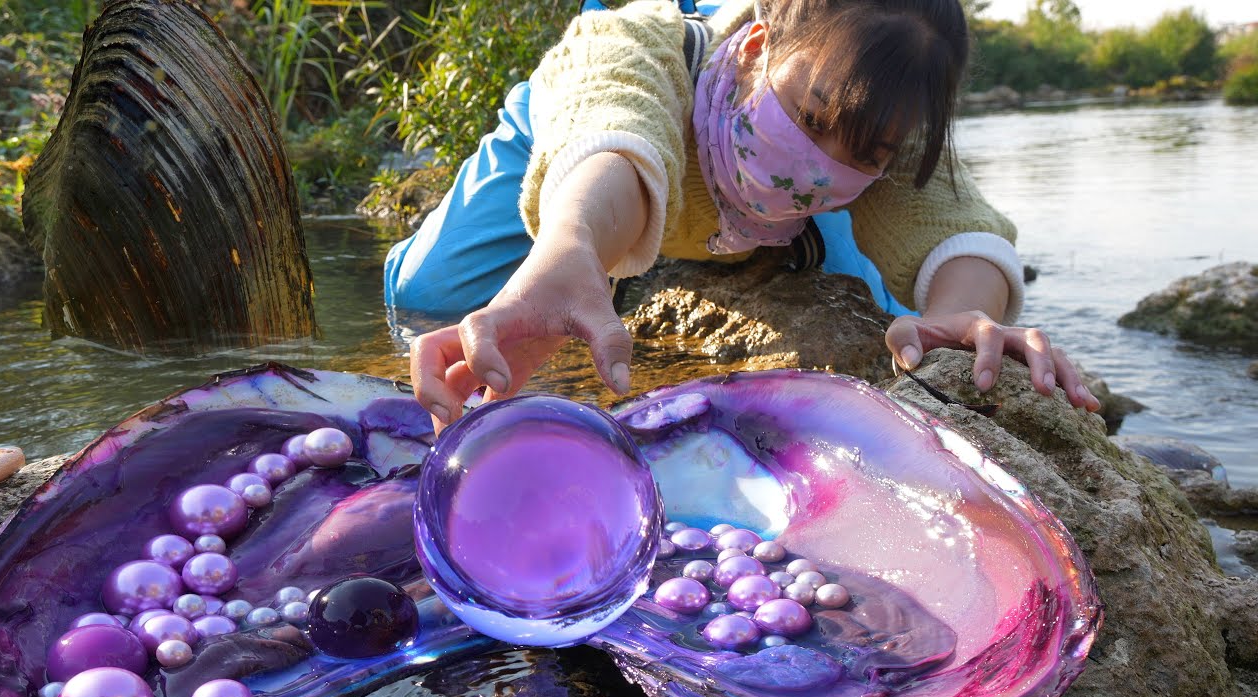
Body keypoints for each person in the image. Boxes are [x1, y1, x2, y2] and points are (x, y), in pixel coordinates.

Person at [387, 0, 1102, 430]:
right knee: (428, 296)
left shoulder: (885, 118)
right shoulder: (639, 47)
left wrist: (968, 312)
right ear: (759, 48)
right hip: (576, 138)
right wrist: (570, 247)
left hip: (769, 222)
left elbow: (951, 224)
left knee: (901, 322)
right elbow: (614, 124)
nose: (820, 161)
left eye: (863, 150)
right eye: (811, 117)